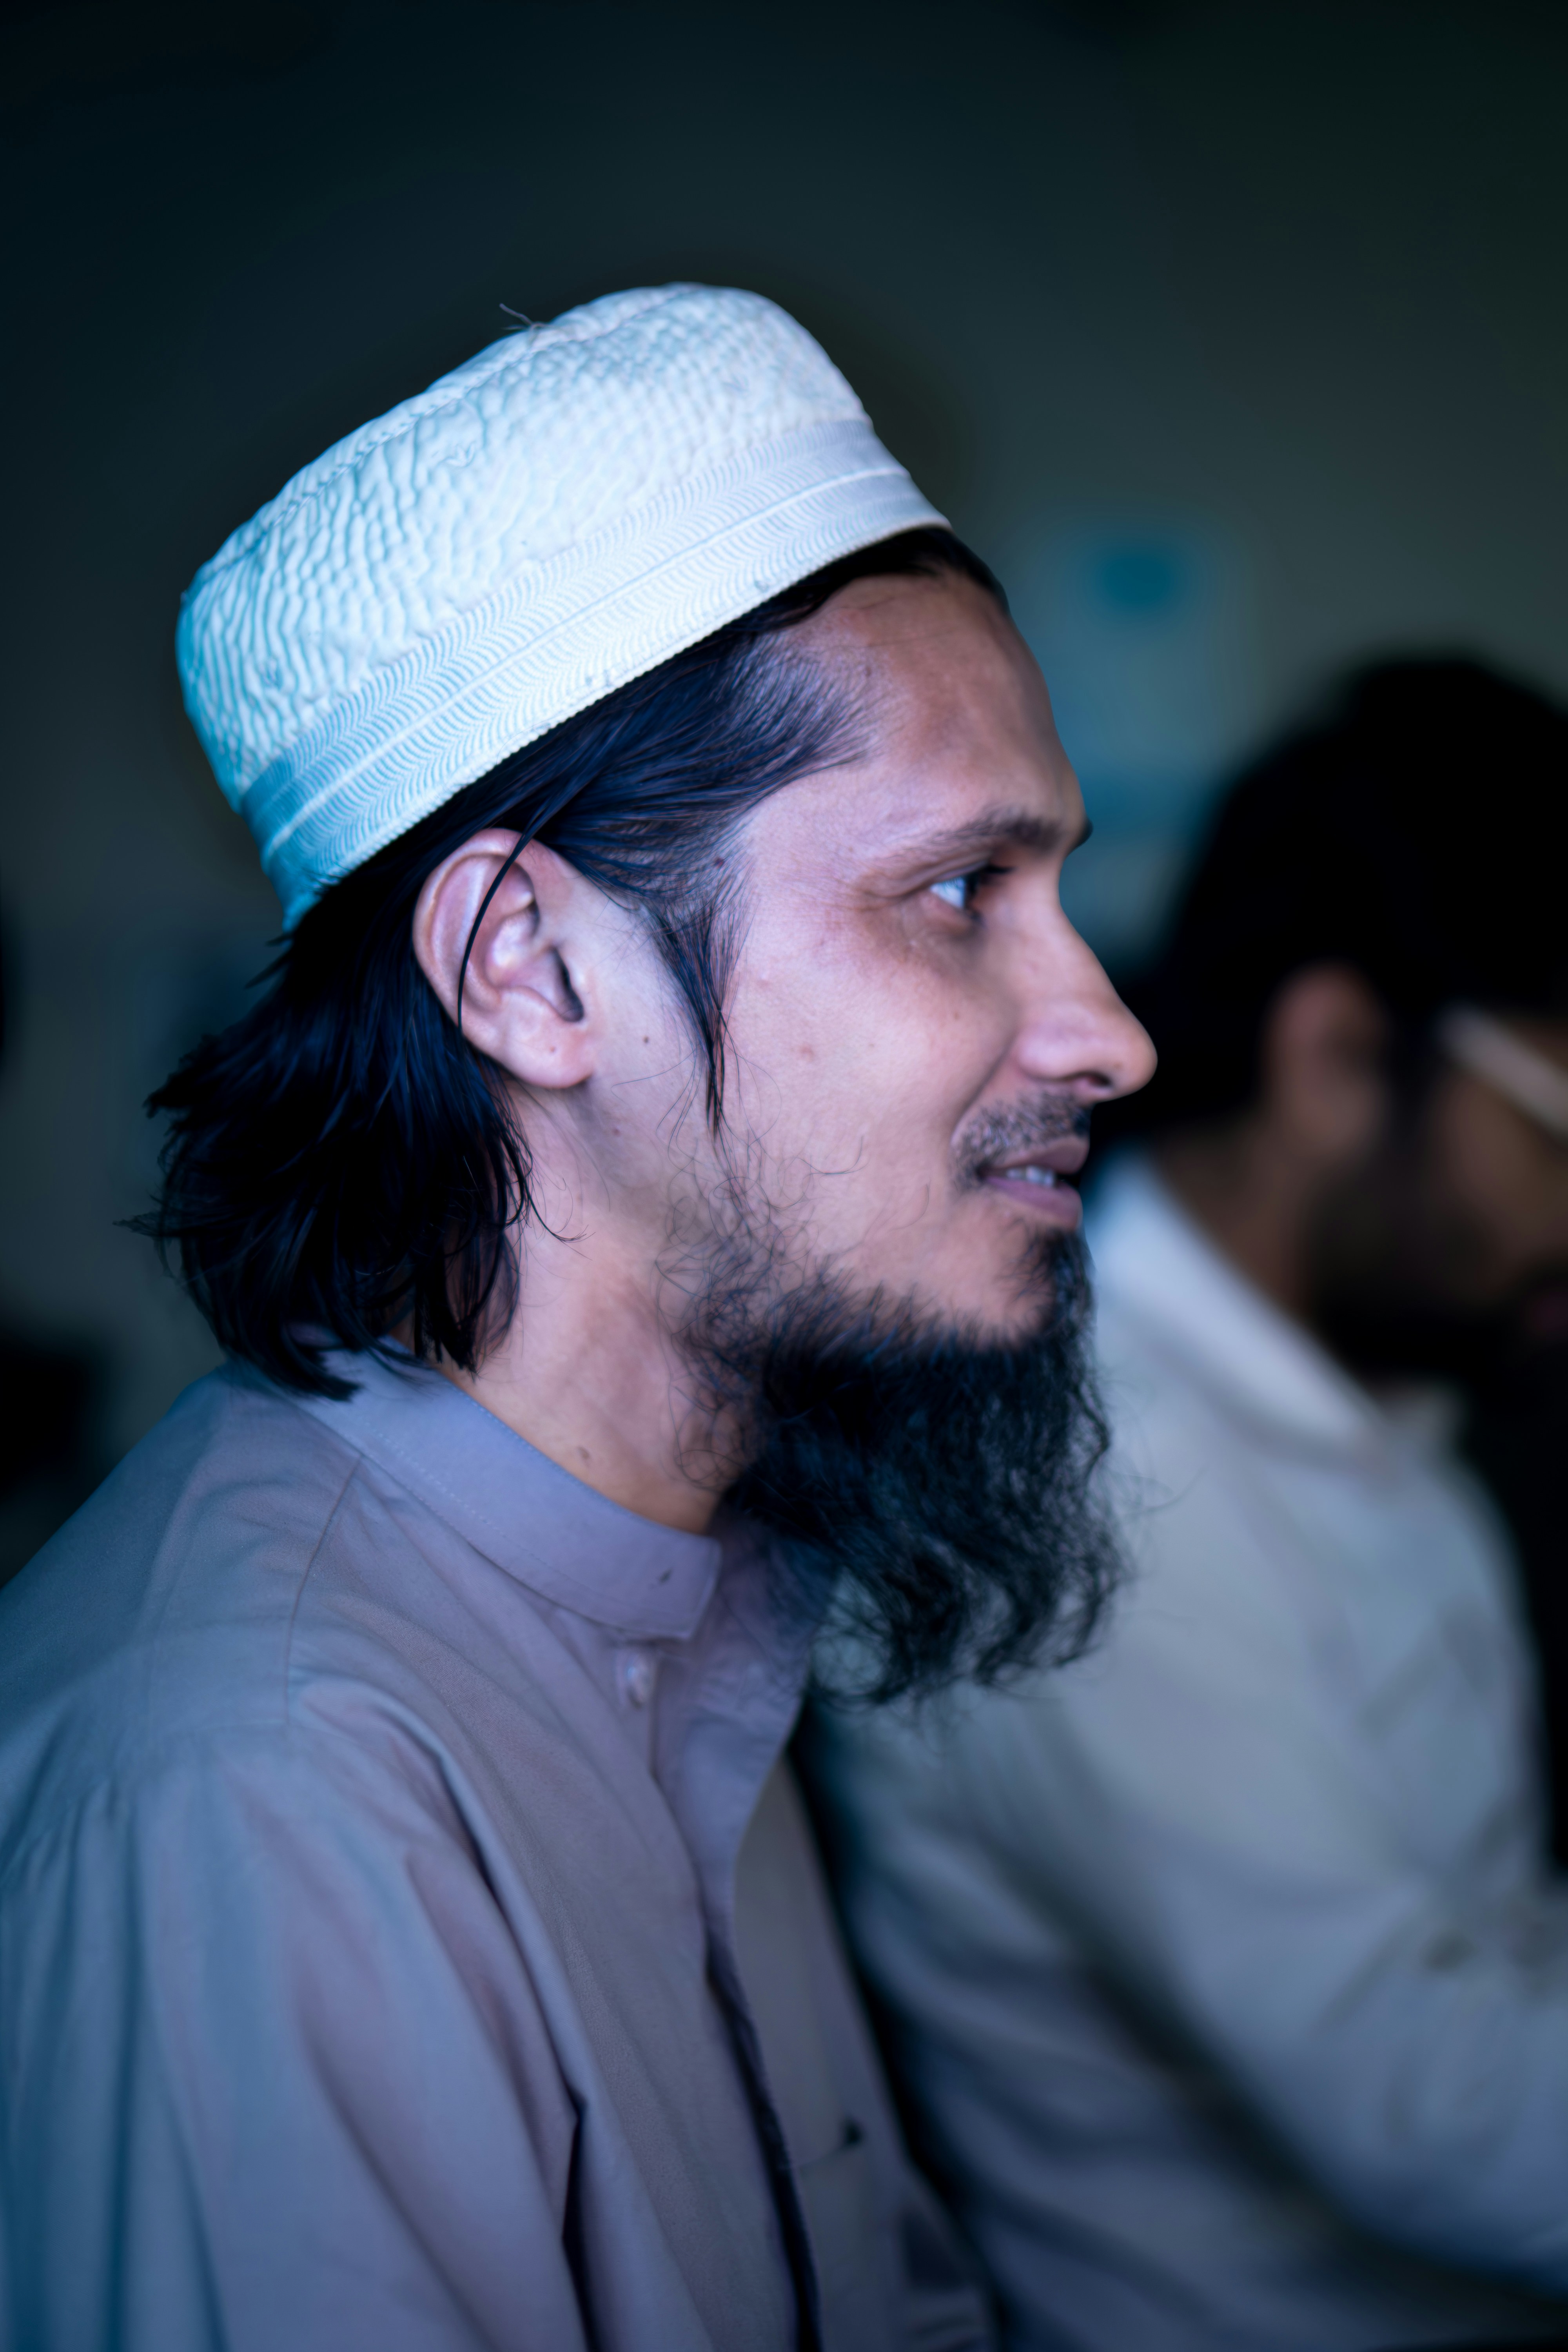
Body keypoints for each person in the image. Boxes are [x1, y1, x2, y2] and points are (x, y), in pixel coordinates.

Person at [0, 285, 1154, 2352]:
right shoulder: (263, 1789)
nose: (1110, 1035)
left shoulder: (687, 1588)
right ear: (532, 972)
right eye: (960, 895)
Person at [808, 659, 1568, 2352]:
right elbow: (1428, 2100)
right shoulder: (1091, 1480)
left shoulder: (1371, 1378)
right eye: (1561, 1134)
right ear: (1333, 1059)